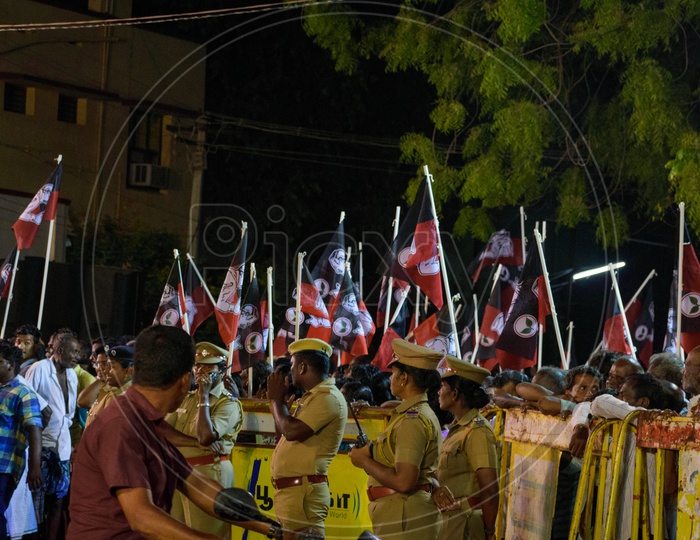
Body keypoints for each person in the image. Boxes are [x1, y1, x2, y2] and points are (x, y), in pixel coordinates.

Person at [67, 325, 282, 540]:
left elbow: (196, 484)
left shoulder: (148, 422)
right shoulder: (122, 425)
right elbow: (140, 516)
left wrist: (272, 528)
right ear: (183, 381)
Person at [348, 339, 443, 540]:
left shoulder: (413, 420)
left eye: (393, 374)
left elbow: (404, 481)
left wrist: (363, 460)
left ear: (404, 378)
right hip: (401, 515)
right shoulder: (411, 413)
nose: (390, 379)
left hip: (405, 517)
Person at [267, 338, 348, 539]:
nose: (291, 370)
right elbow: (285, 436)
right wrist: (278, 405)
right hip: (293, 492)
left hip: (303, 494)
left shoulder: (328, 397)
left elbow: (292, 431)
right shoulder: (312, 397)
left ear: (303, 367)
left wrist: (277, 400)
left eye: (293, 365)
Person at [164, 342, 243, 539]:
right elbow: (161, 431)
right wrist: (191, 443)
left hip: (209, 472)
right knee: (176, 533)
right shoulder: (186, 398)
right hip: (178, 472)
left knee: (206, 533)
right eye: (198, 365)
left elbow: (205, 436)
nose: (201, 371)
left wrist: (204, 397)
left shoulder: (228, 403)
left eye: (209, 366)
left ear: (222, 370)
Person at [431, 356, 497, 540]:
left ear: (455, 394)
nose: (438, 392)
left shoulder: (478, 431)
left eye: (443, 387)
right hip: (449, 522)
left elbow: (490, 488)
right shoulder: (458, 427)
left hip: (464, 524)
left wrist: (490, 533)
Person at [25, 333, 80, 540]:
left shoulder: (73, 375)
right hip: (41, 447)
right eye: (73, 351)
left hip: (62, 448)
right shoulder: (39, 369)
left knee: (58, 501)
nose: (77, 356)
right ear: (59, 350)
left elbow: (69, 414)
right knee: (36, 504)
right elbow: (27, 399)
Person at [0, 340, 42, 539]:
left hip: (5, 466)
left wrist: (35, 466)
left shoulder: (22, 392)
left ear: (10, 365)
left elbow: (34, 429)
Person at [84, 345, 134, 428]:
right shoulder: (114, 393)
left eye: (111, 367)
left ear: (128, 371)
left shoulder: (128, 399)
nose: (105, 370)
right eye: (106, 365)